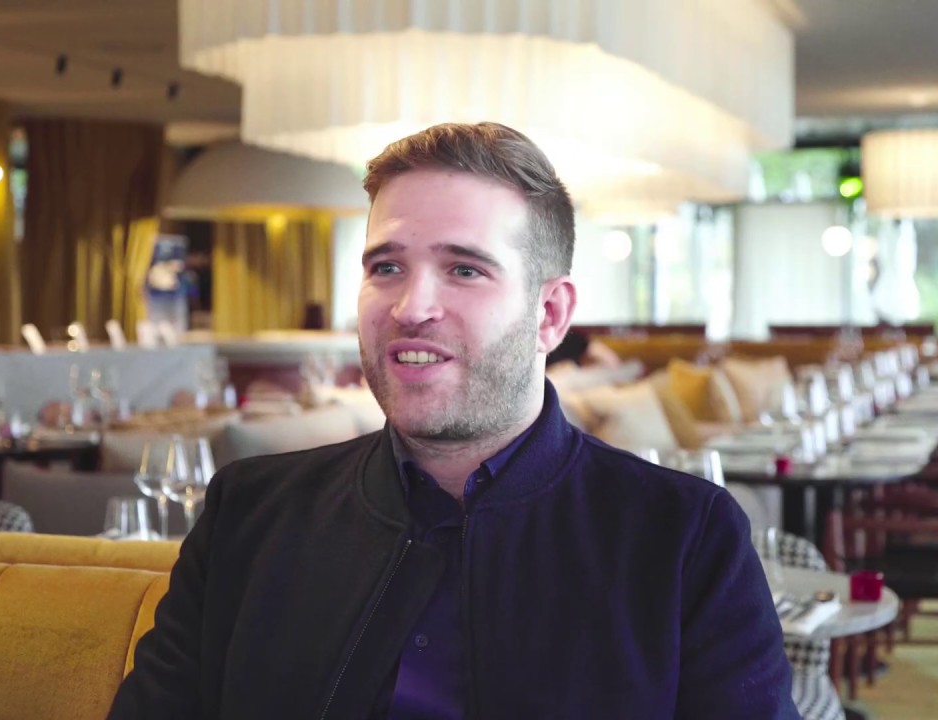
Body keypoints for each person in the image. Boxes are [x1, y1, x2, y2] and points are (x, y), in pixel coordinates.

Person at [109, 122, 797, 719]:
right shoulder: (250, 514)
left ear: (550, 314)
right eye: (386, 266)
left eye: (464, 270)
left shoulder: (682, 538)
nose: (412, 307)